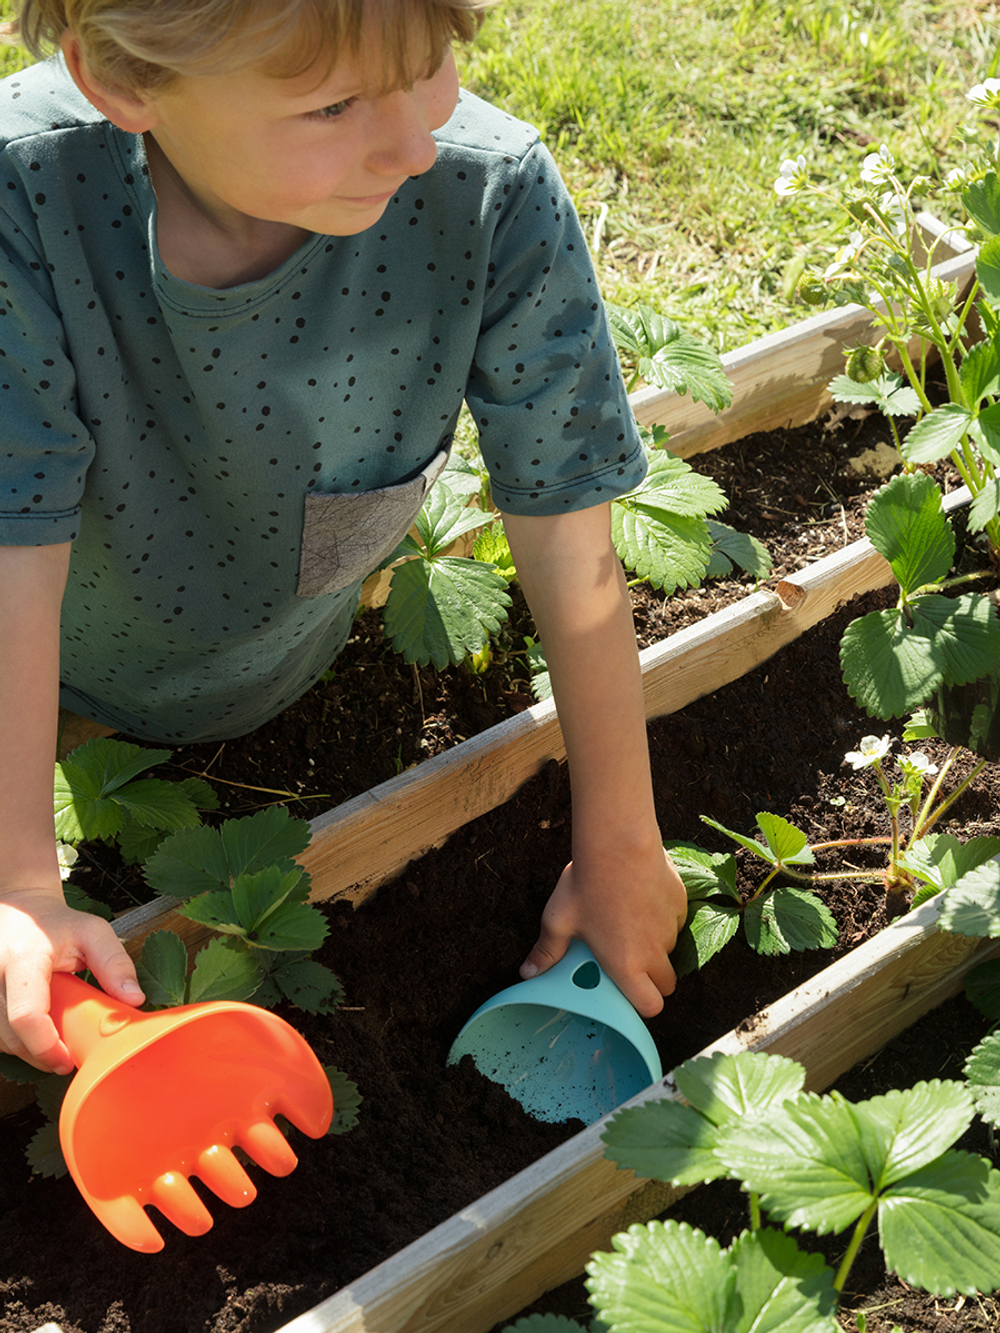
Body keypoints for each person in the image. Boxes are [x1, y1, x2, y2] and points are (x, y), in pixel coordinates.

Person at [0, 0, 686, 1078]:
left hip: (282, 662)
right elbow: (14, 535)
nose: (412, 143)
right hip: (52, 669)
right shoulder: (26, 195)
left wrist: (618, 839)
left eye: (430, 67)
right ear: (124, 82)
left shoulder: (484, 193)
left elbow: (570, 538)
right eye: (329, 104)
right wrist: (24, 886)